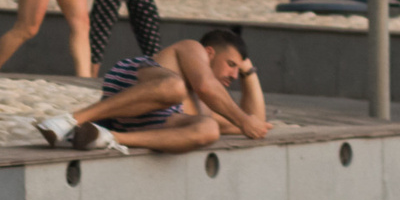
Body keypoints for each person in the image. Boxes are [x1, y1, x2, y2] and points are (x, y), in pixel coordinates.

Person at [35, 29, 270, 153]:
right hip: (136, 81)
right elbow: (206, 86)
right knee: (175, 87)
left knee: (209, 129)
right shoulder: (192, 48)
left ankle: (108, 139)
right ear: (209, 53)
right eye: (231, 65)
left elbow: (254, 123)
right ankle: (69, 120)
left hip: (143, 123)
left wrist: (249, 71)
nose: (233, 75)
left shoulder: (207, 107)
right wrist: (243, 119)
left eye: (236, 71)